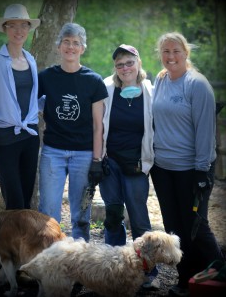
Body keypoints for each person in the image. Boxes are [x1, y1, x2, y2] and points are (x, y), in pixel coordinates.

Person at [150, 32, 225, 296]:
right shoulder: (160, 80)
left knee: (196, 227)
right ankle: (186, 281)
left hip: (191, 170)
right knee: (175, 229)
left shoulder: (197, 84)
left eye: (176, 51)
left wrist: (202, 170)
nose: (170, 57)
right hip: (162, 168)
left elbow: (205, 131)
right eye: (165, 51)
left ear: (185, 53)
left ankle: (220, 273)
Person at [38, 22, 108, 242]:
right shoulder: (45, 77)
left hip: (84, 154)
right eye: (66, 42)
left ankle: (80, 261)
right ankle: (50, 261)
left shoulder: (93, 81)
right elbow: (31, 108)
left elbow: (99, 125)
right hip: (53, 151)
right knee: (48, 213)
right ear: (59, 46)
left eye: (76, 43)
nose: (71, 47)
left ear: (82, 48)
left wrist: (97, 160)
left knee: (81, 214)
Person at [99, 44, 159, 289]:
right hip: (109, 161)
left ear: (139, 63)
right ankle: (114, 268)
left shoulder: (150, 90)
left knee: (139, 217)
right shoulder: (106, 88)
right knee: (113, 215)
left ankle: (148, 273)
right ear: (115, 68)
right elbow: (96, 123)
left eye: (129, 62)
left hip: (136, 163)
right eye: (120, 64)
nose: (125, 68)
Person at [0, 4, 40, 209]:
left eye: (23, 25)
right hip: (6, 137)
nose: (18, 31)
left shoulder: (31, 60)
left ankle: (22, 241)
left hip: (30, 136)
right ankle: (11, 241)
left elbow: (32, 98)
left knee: (27, 197)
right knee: (14, 200)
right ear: (4, 29)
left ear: (29, 29)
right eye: (12, 26)